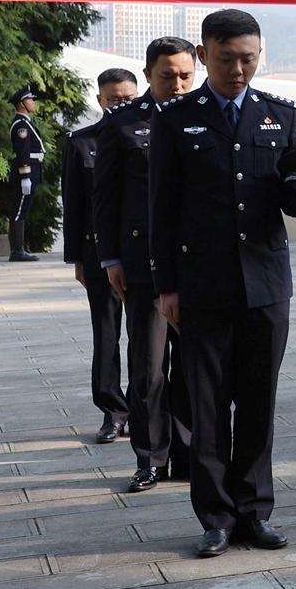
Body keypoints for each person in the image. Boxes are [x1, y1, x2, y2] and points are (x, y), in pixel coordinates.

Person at [148, 9, 296, 556]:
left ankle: (255, 511)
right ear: (204, 55)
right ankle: (216, 517)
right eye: (227, 59)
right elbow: (162, 208)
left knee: (258, 402)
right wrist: (166, 287)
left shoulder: (280, 114)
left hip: (265, 282)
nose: (237, 70)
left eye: (248, 60)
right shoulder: (176, 118)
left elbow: (288, 196)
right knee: (207, 406)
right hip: (202, 283)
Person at [93, 36, 199, 492]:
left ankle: (189, 454)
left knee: (193, 365)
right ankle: (151, 457)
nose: (177, 85)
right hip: (142, 264)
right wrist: (110, 257)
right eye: (166, 76)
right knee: (148, 366)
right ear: (148, 74)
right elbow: (105, 196)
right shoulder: (122, 123)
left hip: (194, 261)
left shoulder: (203, 116)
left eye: (185, 76)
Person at [63, 67, 139, 445]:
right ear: (100, 100)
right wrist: (77, 259)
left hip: (142, 251)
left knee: (145, 337)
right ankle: (113, 411)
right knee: (106, 333)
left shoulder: (154, 135)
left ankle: (144, 409)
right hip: (99, 253)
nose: (121, 105)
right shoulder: (81, 143)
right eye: (114, 100)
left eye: (128, 99)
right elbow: (74, 204)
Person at [6, 86, 44, 260]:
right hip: (26, 171)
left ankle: (18, 249)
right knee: (19, 210)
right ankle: (17, 251)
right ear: (22, 103)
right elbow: (23, 153)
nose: (33, 102)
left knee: (21, 209)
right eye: (30, 99)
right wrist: (26, 176)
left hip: (32, 169)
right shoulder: (21, 125)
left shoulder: (26, 122)